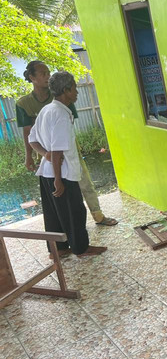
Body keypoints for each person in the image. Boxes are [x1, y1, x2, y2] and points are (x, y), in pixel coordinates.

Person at [16, 61, 117, 226]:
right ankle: (70, 232)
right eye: (43, 73)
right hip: (48, 155)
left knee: (85, 183)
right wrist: (35, 156)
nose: (47, 76)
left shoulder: (61, 96)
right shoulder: (24, 103)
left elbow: (68, 128)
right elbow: (29, 133)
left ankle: (97, 216)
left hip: (68, 151)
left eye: (48, 72)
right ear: (32, 77)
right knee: (60, 194)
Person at [28, 71, 107, 257]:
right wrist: (58, 179)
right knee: (75, 211)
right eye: (74, 88)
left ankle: (59, 250)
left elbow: (33, 140)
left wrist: (44, 154)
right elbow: (57, 151)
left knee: (54, 214)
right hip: (61, 174)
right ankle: (81, 248)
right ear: (65, 90)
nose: (77, 92)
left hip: (47, 173)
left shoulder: (46, 110)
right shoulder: (61, 115)